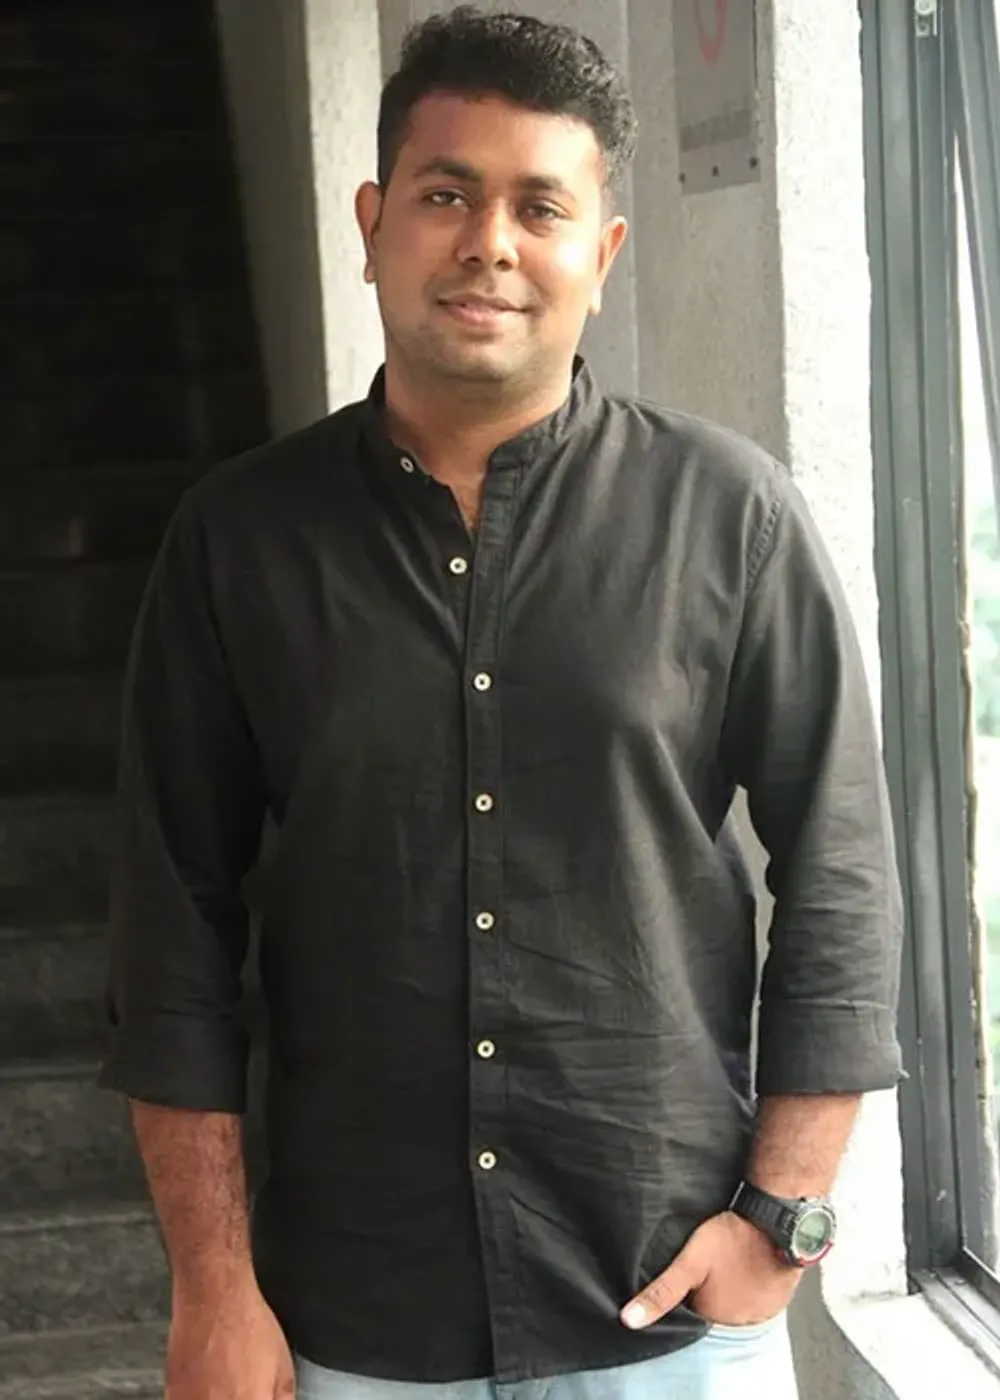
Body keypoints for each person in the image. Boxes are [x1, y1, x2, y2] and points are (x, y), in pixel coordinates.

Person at [99, 8, 904, 1399]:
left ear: (603, 252)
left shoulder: (730, 518)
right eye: (446, 195)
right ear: (372, 224)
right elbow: (171, 933)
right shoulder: (239, 542)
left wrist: (784, 1215)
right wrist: (213, 1285)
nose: (489, 243)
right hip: (356, 1324)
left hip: (668, 1314)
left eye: (540, 206)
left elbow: (842, 873)